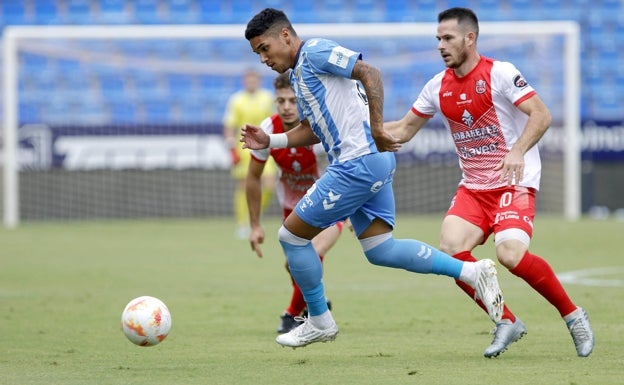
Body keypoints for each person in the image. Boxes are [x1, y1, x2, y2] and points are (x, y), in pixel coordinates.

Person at [241, 7, 504, 350]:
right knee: (381, 249)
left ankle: (319, 319)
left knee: (291, 237)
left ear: (286, 36)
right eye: (257, 53)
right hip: (371, 162)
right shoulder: (299, 76)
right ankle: (471, 272)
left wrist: (378, 127)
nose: (263, 59)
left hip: (357, 163)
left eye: (264, 48)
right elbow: (312, 129)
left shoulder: (316, 51)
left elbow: (369, 71)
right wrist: (271, 141)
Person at [384, 7, 594, 358]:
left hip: (514, 181)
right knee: (451, 252)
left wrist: (517, 151)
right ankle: (506, 320)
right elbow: (403, 130)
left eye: (447, 38)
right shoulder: (436, 86)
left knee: (509, 254)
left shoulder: (500, 73)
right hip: (473, 188)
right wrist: (359, 130)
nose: (440, 45)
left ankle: (573, 316)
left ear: (470, 38)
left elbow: (542, 115)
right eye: (437, 39)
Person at [246, 72, 344, 334]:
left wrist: (358, 210)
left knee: (308, 256)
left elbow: (351, 168)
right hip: (293, 211)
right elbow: (253, 177)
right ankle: (315, 305)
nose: (287, 106)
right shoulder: (267, 130)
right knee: (293, 266)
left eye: (292, 100)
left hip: (328, 207)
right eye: (281, 101)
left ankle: (290, 316)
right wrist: (254, 224)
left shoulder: (320, 131)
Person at [223, 68, 277, 239]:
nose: (251, 82)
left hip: (265, 147)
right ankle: (242, 223)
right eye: (248, 79)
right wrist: (231, 148)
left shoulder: (268, 98)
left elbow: (276, 120)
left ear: (258, 80)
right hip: (244, 147)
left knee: (269, 184)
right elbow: (229, 125)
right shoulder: (236, 100)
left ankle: (255, 215)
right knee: (243, 185)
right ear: (244, 81)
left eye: (254, 79)